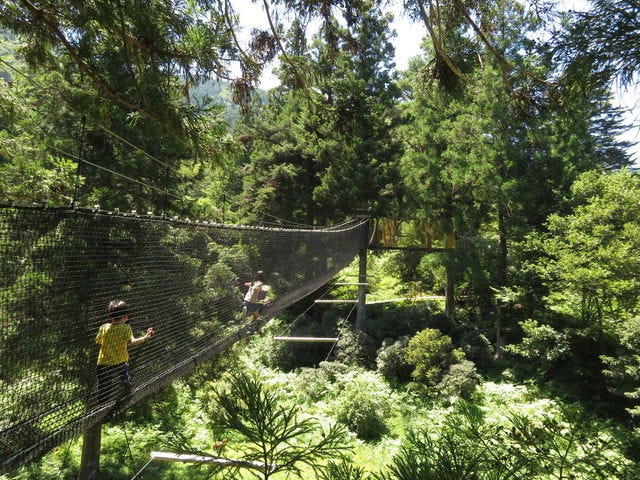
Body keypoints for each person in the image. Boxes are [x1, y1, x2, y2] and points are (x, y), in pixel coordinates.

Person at [95, 300, 155, 406]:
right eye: (127, 316)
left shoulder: (104, 327)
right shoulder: (126, 328)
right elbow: (131, 342)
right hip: (119, 362)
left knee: (104, 388)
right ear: (123, 317)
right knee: (124, 368)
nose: (128, 318)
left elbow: (98, 342)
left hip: (103, 363)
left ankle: (101, 407)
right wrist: (145, 337)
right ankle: (125, 380)